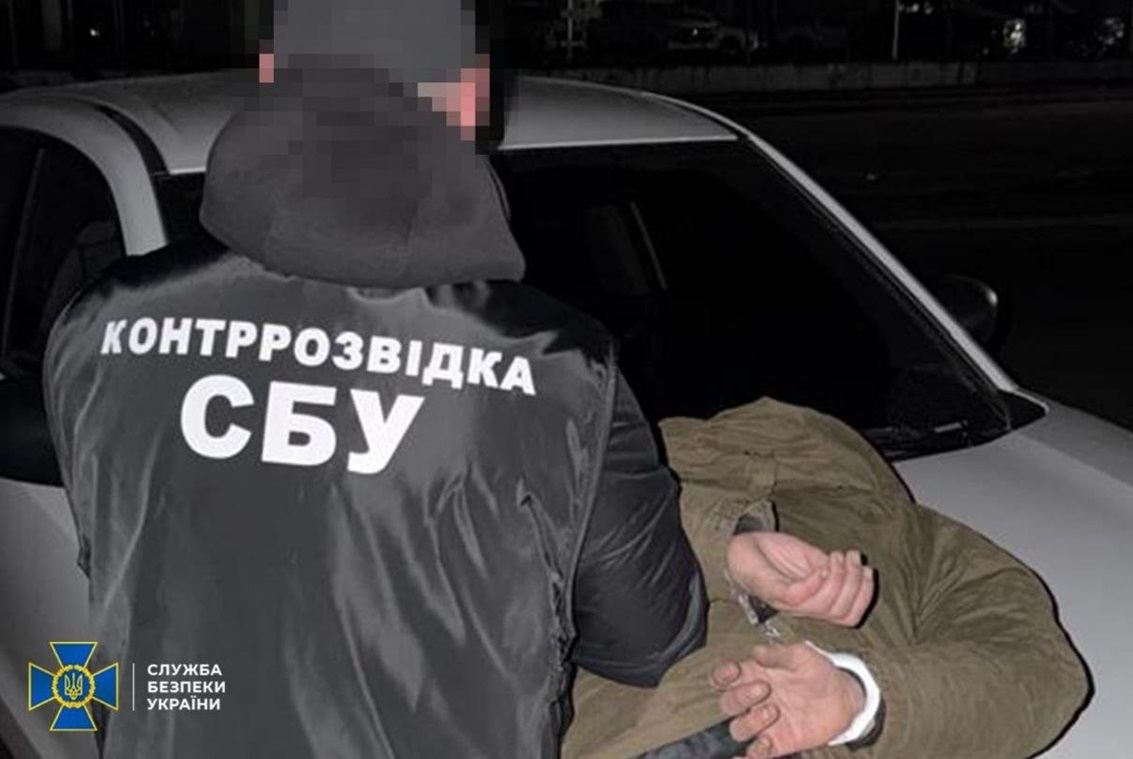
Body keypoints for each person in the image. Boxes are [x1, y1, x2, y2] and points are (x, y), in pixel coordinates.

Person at [40, 1, 716, 755]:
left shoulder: (100, 325)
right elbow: (652, 640)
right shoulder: (555, 368)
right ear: (471, 98)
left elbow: (139, 578)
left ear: (271, 74)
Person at [564, 399, 1090, 759]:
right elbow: (1040, 671)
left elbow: (1040, 673)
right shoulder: (595, 483)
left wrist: (860, 696)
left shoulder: (915, 537)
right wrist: (725, 545)